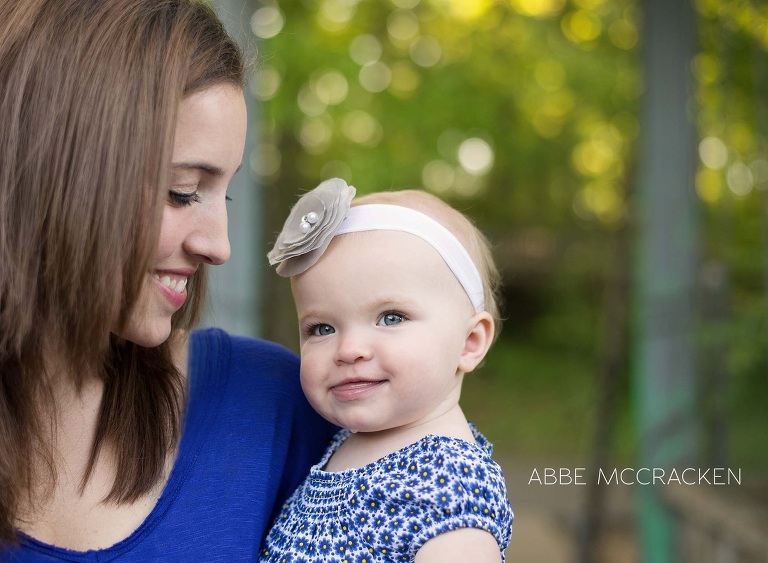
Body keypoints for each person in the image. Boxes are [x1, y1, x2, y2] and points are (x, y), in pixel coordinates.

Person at [0, 0, 336, 559]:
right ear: (52, 171)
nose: (219, 247)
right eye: (182, 190)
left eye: (221, 193)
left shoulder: (273, 406)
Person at [262, 178, 514, 562]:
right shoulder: (349, 440)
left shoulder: (446, 486)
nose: (349, 350)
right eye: (322, 328)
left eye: (391, 317)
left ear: (469, 342)